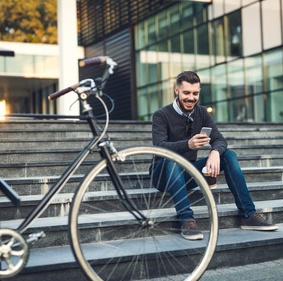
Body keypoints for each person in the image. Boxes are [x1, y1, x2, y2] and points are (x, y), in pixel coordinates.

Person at [151, 70, 278, 240]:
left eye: (195, 93)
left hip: (188, 173)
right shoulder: (161, 115)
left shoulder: (201, 113)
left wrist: (215, 152)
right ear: (176, 90)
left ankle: (248, 215)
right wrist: (187, 144)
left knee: (229, 155)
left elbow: (219, 139)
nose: (191, 98)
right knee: (172, 160)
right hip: (162, 174)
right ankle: (186, 219)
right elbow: (159, 146)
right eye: (186, 93)